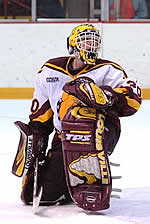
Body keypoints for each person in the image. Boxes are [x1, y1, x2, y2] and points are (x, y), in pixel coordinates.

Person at [12, 23, 142, 211]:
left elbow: (133, 99)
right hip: (63, 135)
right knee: (37, 194)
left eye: (94, 42)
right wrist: (36, 142)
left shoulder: (108, 70)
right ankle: (67, 183)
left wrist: (106, 96)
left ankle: (92, 159)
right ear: (73, 45)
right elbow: (41, 116)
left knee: (77, 95)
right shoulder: (50, 70)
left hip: (102, 129)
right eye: (85, 41)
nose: (91, 47)